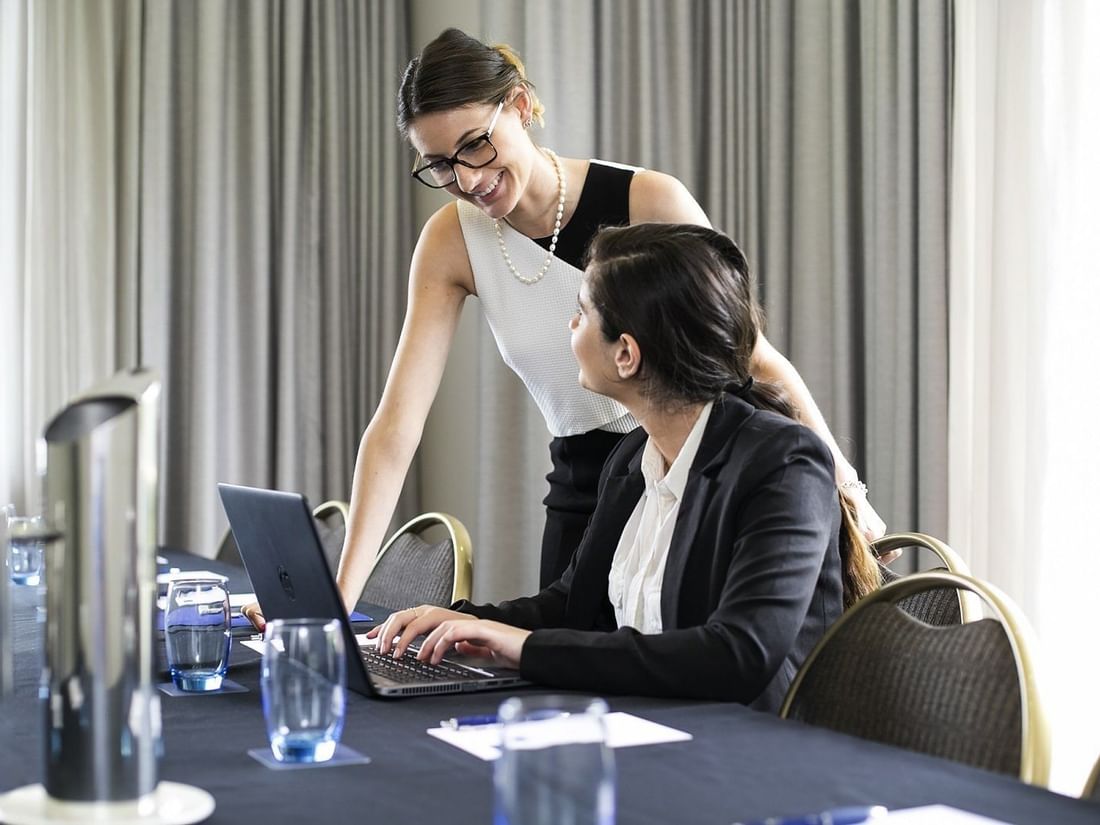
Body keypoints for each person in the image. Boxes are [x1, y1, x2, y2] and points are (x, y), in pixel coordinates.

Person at [241, 28, 885, 631]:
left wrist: (845, 489)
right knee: (562, 674)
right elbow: (396, 426)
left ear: (519, 106)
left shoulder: (647, 200)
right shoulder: (450, 241)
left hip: (699, 468)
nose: (465, 179)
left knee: (688, 681)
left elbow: (752, 359)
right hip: (586, 482)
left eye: (475, 144)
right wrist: (334, 605)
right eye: (438, 164)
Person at [371, 223, 881, 709]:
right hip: (648, 727)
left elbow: (738, 654)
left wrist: (522, 648)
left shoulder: (783, 464)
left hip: (750, 754)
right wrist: (462, 623)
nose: (570, 326)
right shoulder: (631, 456)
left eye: (582, 313)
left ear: (626, 355)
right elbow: (571, 604)